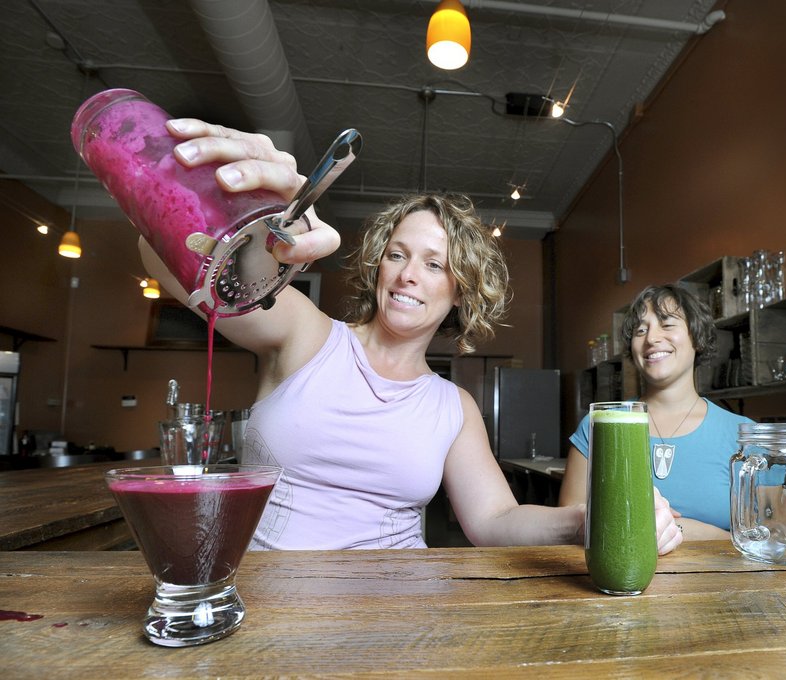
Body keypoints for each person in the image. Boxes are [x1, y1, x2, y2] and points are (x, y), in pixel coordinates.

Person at [140, 118, 682, 554]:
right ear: (378, 266)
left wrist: (583, 521)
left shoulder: (454, 406)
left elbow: (494, 520)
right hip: (261, 600)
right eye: (397, 255)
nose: (408, 275)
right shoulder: (304, 330)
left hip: (397, 614)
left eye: (434, 265)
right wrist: (231, 204)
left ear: (459, 293)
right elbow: (170, 261)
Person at [559, 284, 753, 540]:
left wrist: (677, 530)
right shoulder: (598, 425)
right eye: (641, 330)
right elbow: (567, 531)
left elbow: (772, 537)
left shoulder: (747, 436)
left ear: (697, 337)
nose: (651, 338)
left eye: (667, 324)